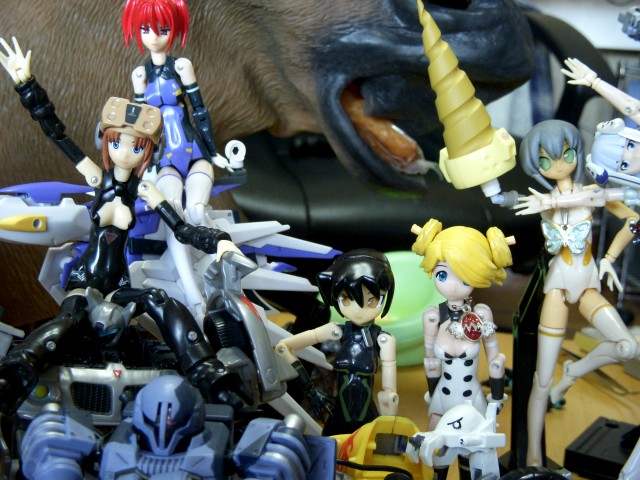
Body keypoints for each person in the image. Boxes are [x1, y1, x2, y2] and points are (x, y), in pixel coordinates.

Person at [0, 37, 245, 415]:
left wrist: (220, 241)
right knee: (70, 317)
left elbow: (182, 231)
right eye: (118, 143)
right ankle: (18, 370)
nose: (125, 152)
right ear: (107, 142)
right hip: (85, 281)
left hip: (118, 286)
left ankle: (207, 371)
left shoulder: (146, 190)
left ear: (148, 151)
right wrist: (26, 85)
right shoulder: (97, 179)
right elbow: (58, 134)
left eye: (137, 146)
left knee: (160, 302)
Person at [517, 119, 639, 466]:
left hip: (587, 283)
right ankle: (534, 458)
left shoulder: (593, 193)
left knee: (627, 347)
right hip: (558, 288)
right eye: (546, 161)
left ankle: (572, 373)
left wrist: (609, 259)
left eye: (565, 155)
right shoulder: (544, 200)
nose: (558, 166)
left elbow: (634, 221)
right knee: (541, 381)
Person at [123, 0, 236, 314]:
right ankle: (193, 295)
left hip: (194, 151)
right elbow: (141, 125)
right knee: (171, 214)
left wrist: (212, 151)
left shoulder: (182, 66)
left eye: (162, 28)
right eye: (145, 28)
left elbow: (200, 111)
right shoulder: (140, 75)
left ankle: (229, 274)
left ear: (174, 30)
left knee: (197, 212)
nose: (154, 36)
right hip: (165, 158)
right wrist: (141, 164)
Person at [411, 218, 510, 480]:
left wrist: (496, 396)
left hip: (472, 398)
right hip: (442, 397)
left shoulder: (482, 314)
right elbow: (431, 363)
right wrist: (432, 391)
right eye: (443, 274)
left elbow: (496, 360)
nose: (452, 286)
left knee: (471, 453)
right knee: (436, 453)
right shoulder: (432, 317)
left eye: (464, 277)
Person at [275, 249, 398, 436]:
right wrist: (309, 389)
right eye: (346, 299)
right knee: (331, 450)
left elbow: (389, 394)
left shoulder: (383, 340)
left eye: (372, 301)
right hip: (338, 416)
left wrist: (389, 425)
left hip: (367, 419)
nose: (358, 310)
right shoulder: (336, 331)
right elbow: (284, 347)